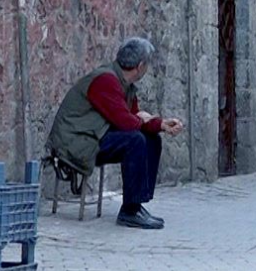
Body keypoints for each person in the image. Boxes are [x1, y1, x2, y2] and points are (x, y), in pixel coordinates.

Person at [46, 38, 185, 230]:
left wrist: (161, 125)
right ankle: (129, 211)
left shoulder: (124, 84)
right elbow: (127, 122)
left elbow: (134, 119)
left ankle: (135, 205)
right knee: (134, 140)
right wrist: (143, 119)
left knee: (151, 139)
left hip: (93, 137)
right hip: (76, 142)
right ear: (140, 66)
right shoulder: (106, 80)